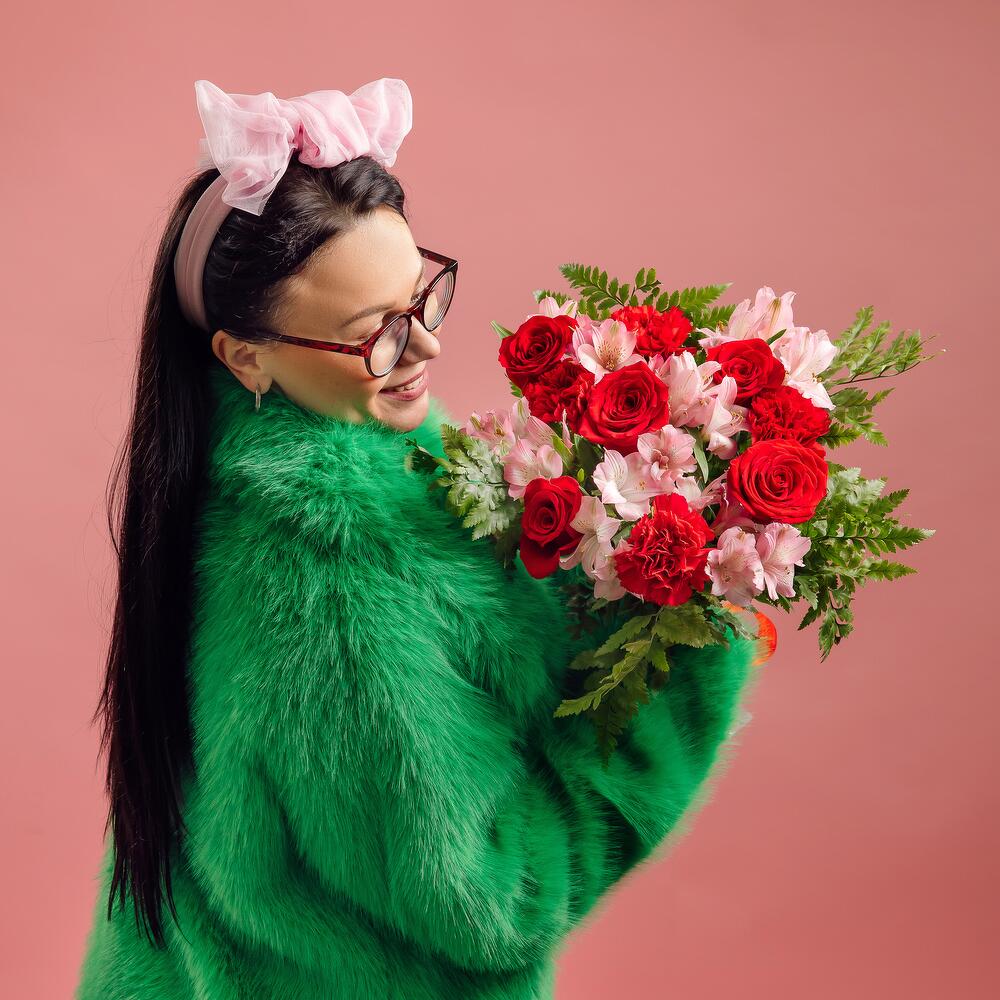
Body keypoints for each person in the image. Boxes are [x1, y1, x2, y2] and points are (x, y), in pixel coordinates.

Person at [75, 78, 761, 1000]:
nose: (427, 348)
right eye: (376, 334)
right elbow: (493, 903)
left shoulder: (244, 491)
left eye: (422, 296)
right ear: (246, 357)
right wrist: (679, 671)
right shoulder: (334, 593)